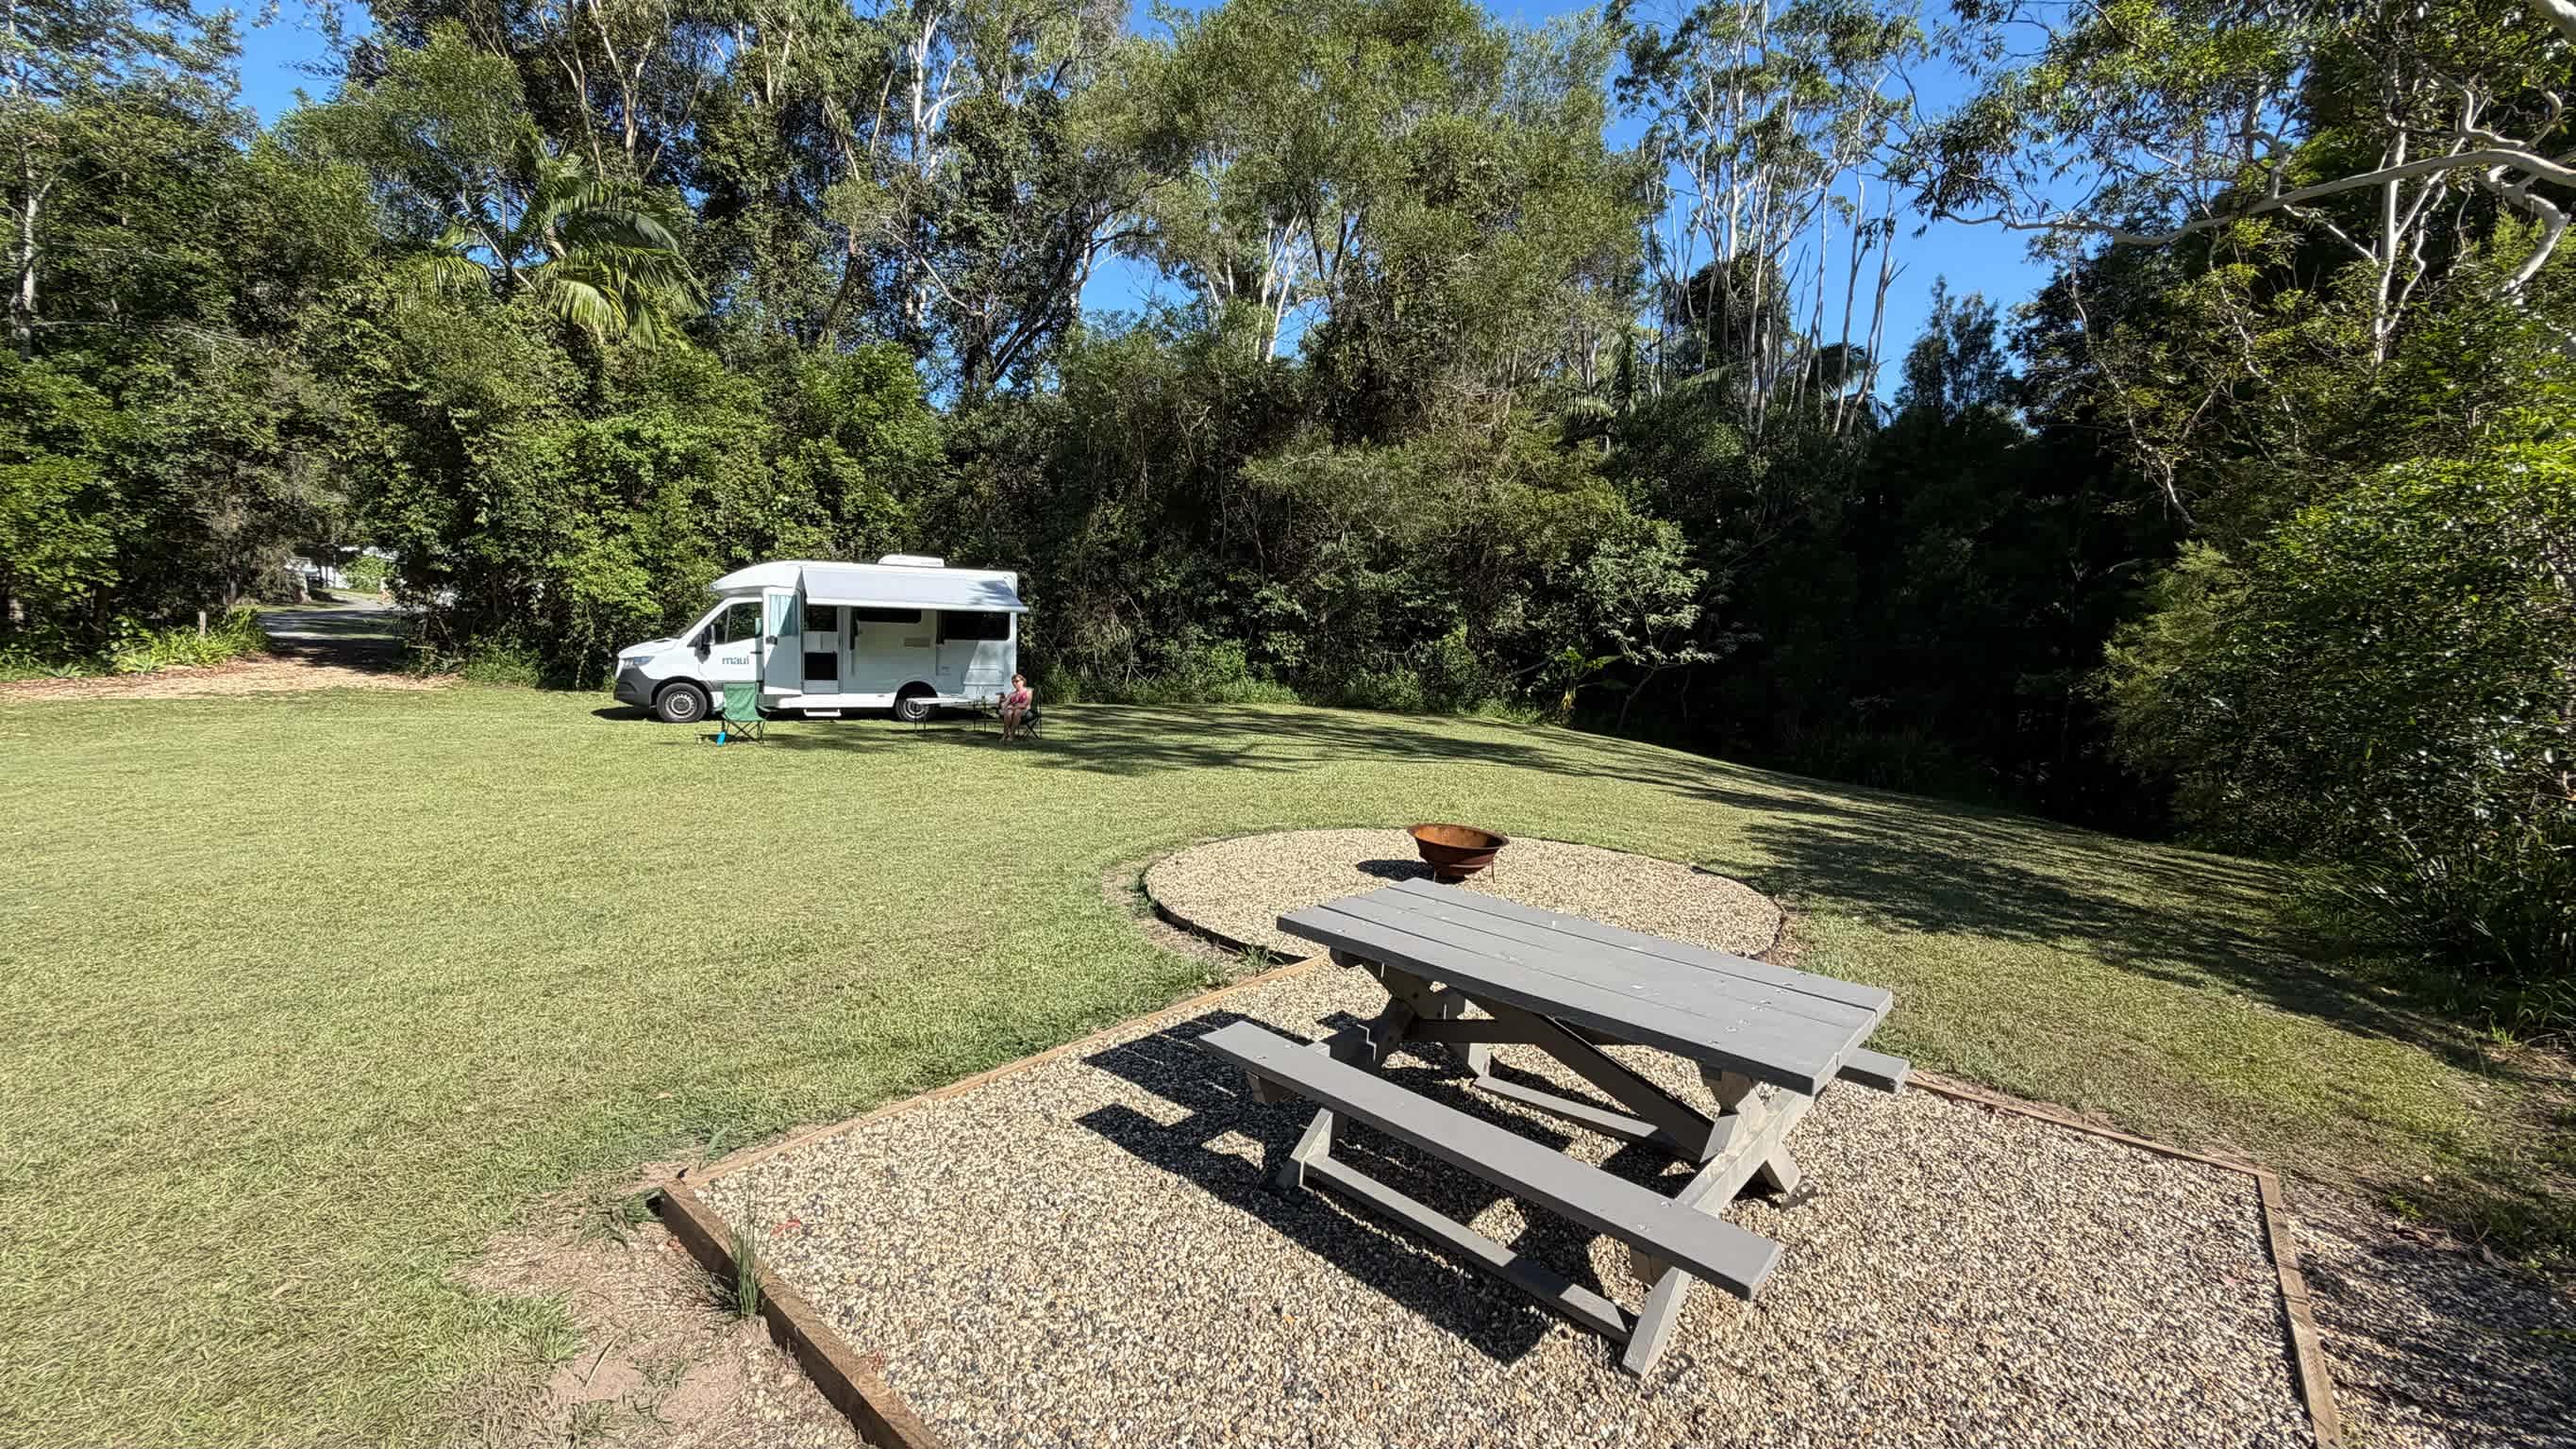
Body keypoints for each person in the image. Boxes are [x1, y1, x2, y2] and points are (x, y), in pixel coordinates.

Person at [998, 673, 1034, 741]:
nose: (1014, 683)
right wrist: (1001, 701)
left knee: (1017, 711)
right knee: (1008, 712)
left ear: (1022, 681)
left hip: (1025, 711)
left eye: (1016, 681)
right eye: (1013, 682)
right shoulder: (1012, 694)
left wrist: (1013, 707)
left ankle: (1012, 735)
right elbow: (1004, 705)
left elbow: (1025, 704)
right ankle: (1005, 734)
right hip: (1013, 709)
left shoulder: (1028, 691)